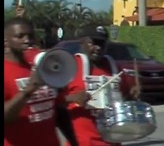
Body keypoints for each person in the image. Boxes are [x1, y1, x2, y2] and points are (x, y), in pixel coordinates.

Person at [4, 17, 78, 146]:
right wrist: (29, 89)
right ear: (6, 40)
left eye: (30, 36)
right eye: (20, 36)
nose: (27, 40)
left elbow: (57, 108)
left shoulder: (38, 66)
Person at [63, 25, 140, 146]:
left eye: (102, 44)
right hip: (81, 141)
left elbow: (123, 102)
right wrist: (72, 98)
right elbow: (51, 101)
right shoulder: (70, 66)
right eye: (93, 43)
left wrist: (132, 96)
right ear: (82, 42)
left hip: (112, 141)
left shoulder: (114, 67)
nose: (98, 48)